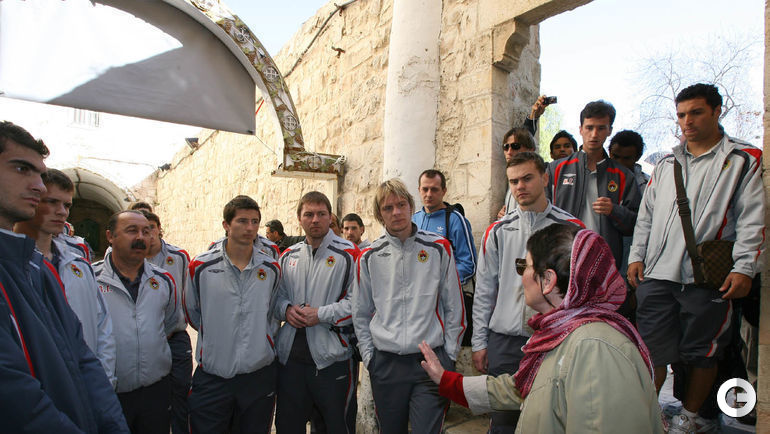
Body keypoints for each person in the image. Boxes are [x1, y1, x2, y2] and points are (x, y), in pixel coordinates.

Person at [421, 225, 663, 433]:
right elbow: (519, 389)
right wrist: (446, 380)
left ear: (547, 280)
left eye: (524, 267)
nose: (522, 277)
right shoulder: (563, 334)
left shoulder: (595, 348)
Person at [628, 83, 764, 434]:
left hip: (706, 277)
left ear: (717, 111)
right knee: (652, 351)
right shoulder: (666, 164)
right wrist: (636, 256)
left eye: (696, 112)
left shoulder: (742, 159)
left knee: (702, 353)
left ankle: (690, 419)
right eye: (681, 115)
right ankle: (645, 414)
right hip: (657, 274)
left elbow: (752, 220)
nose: (687, 121)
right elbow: (646, 216)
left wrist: (744, 268)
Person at [0, 121, 128, 432]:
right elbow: (18, 402)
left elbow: (82, 356)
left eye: (39, 174)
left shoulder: (37, 269)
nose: (39, 186)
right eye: (21, 169)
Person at [472, 152, 583, 432]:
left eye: (527, 178)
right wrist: (479, 343)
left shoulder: (572, 230)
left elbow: (581, 291)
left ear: (545, 178)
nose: (520, 186)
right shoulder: (497, 232)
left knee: (549, 420)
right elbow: (484, 290)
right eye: (513, 181)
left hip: (554, 341)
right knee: (503, 422)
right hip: (505, 342)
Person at [353, 179, 465, 434]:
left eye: (401, 205)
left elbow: (454, 306)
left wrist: (449, 355)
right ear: (379, 214)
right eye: (388, 207)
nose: (396, 212)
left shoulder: (438, 248)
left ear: (411, 206)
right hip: (386, 364)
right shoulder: (369, 256)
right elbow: (360, 313)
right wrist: (370, 358)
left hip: (430, 360)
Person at [186, 196, 280, 434]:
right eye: (242, 221)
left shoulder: (270, 268)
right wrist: (217, 337)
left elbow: (272, 312)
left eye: (255, 221)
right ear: (226, 225)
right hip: (214, 376)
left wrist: (259, 342)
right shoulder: (201, 267)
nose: (250, 228)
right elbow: (193, 312)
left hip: (257, 375)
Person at [14, 168, 116, 386]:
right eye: (51, 202)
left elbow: (102, 326)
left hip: (85, 383)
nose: (62, 212)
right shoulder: (11, 265)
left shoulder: (79, 266)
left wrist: (103, 381)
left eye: (67, 205)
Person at [273, 191, 359, 434]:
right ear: (299, 218)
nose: (315, 220)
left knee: (335, 427)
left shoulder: (350, 254)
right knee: (288, 426)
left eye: (321, 214)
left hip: (332, 359)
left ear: (330, 217)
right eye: (308, 214)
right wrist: (286, 310)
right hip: (291, 360)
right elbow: (275, 298)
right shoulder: (288, 256)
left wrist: (320, 314)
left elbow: (359, 305)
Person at [94, 210, 180, 434]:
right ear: (110, 236)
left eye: (146, 231)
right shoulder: (91, 280)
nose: (141, 237)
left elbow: (170, 323)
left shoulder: (163, 280)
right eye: (132, 231)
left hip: (155, 391)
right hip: (110, 393)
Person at [545, 100, 641, 270]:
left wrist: (614, 211)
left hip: (603, 261)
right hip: (562, 259)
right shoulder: (556, 170)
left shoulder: (623, 176)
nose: (594, 134)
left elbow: (637, 223)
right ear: (580, 129)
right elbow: (540, 213)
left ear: (609, 130)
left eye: (601, 128)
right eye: (589, 128)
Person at [142, 211, 192, 434]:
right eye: (140, 230)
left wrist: (180, 320)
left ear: (159, 228)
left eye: (150, 227)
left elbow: (189, 295)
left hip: (175, 337)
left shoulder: (178, 257)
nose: (147, 234)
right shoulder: (132, 258)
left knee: (181, 392)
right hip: (144, 340)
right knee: (151, 396)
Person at [412, 169, 477, 286]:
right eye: (425, 189)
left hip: (444, 292)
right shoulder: (413, 220)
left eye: (434, 189)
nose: (429, 194)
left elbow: (468, 265)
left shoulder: (455, 220)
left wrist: (440, 284)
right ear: (419, 190)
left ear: (444, 191)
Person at [497, 128, 537, 218]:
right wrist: (505, 217)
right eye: (506, 147)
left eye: (515, 146)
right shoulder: (511, 179)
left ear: (530, 150)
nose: (509, 152)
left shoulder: (538, 179)